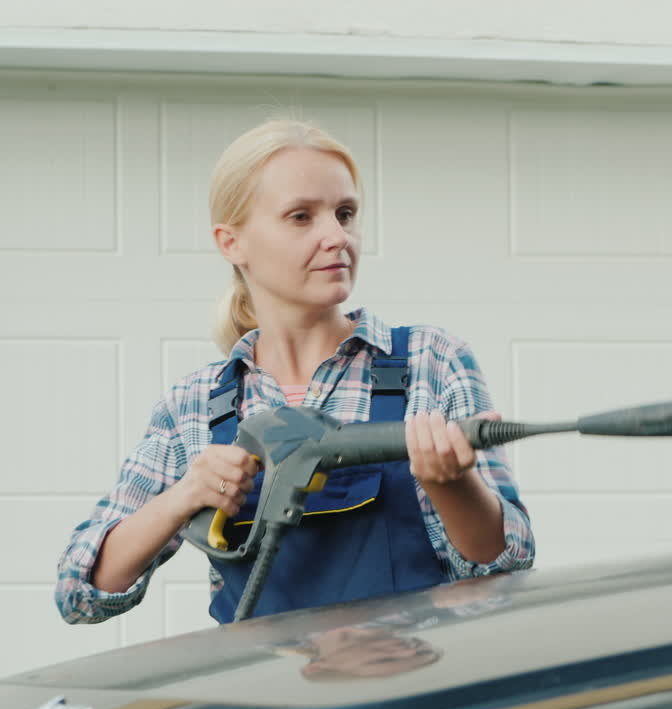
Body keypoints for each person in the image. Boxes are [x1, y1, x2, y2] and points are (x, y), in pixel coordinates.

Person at [55, 118, 534, 625]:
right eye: (301, 217)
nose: (336, 236)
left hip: (414, 692)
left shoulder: (429, 361)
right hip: (264, 699)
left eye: (345, 214)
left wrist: (452, 482)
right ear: (231, 242)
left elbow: (507, 564)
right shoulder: (195, 406)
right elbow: (81, 593)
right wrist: (185, 496)